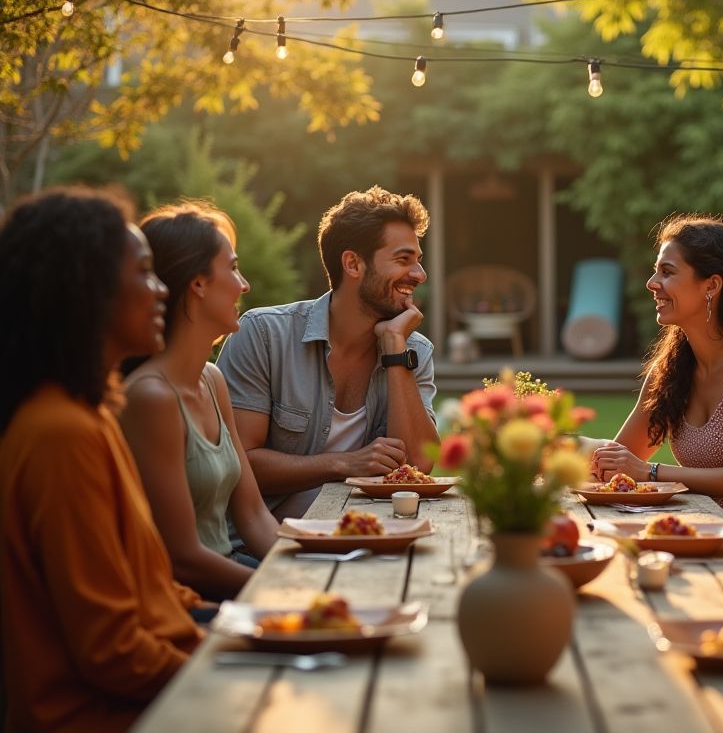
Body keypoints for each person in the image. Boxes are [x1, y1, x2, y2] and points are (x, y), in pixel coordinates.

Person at [0, 187, 203, 732]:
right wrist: (225, 677)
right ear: (85, 291)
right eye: (144, 272)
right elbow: (112, 651)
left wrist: (245, 628)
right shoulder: (58, 435)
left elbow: (153, 593)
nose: (162, 290)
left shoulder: (90, 415)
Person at [216, 185, 439, 520]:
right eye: (403, 259)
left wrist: (395, 350)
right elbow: (238, 463)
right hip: (265, 547)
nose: (420, 275)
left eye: (418, 261)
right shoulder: (264, 334)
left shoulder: (411, 350)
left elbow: (419, 466)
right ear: (353, 264)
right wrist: (344, 463)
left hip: (372, 538)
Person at [591, 215, 723, 516]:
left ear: (712, 285)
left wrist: (651, 473)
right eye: (655, 272)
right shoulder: (671, 370)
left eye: (667, 272)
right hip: (702, 535)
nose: (652, 284)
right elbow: (617, 461)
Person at [120, 202, 280, 601]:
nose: (244, 285)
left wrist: (310, 570)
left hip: (233, 580)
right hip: (185, 603)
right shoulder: (151, 398)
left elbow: (255, 516)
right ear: (199, 284)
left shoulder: (212, 380)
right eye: (233, 268)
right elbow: (183, 558)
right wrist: (284, 591)